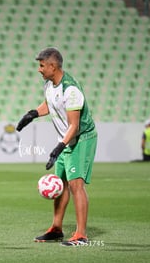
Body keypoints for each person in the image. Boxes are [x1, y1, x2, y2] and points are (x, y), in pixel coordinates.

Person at [16, 48, 97, 246]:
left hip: (81, 139)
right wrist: (33, 114)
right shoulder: (49, 85)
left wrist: (59, 147)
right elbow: (49, 104)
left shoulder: (71, 90)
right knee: (60, 184)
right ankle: (56, 229)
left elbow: (74, 125)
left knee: (76, 185)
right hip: (66, 139)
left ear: (53, 66)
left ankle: (81, 235)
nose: (39, 69)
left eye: (42, 65)